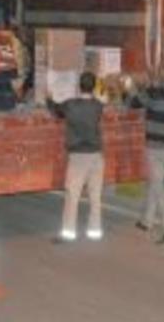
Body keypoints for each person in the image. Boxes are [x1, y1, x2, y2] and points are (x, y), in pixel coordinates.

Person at [48, 72, 105, 242]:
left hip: (79, 157)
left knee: (73, 195)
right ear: (93, 86)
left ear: (78, 86)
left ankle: (68, 232)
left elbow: (55, 110)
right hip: (96, 156)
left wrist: (48, 97)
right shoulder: (98, 106)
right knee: (95, 196)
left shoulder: (71, 105)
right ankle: (95, 231)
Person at [131, 70, 164, 244]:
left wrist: (135, 87)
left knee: (157, 186)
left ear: (155, 79)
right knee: (154, 182)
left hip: (154, 146)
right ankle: (147, 221)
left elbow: (132, 103)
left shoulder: (153, 93)